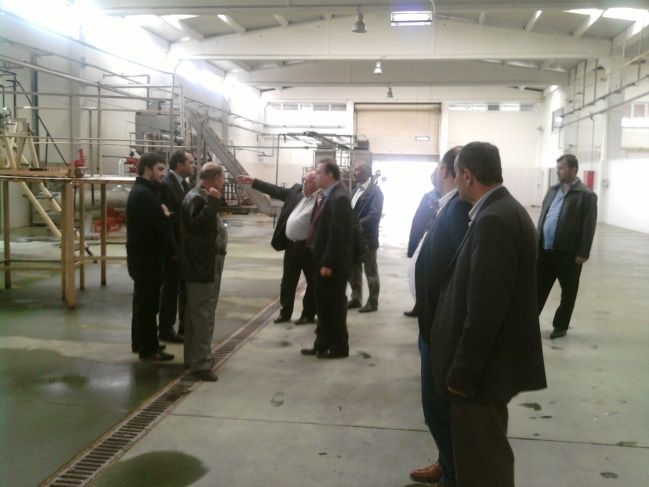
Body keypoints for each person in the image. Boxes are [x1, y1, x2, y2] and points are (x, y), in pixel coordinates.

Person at [431, 142, 546, 487]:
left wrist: (462, 372)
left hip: (482, 373)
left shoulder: (494, 220)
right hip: (491, 365)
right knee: (485, 452)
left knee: (483, 460)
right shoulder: (503, 210)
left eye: (457, 175)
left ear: (467, 176)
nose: (454, 182)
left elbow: (485, 310)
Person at [410, 146, 470, 486]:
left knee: (437, 407)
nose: (434, 173)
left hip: (440, 328)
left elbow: (461, 275)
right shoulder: (446, 204)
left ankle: (452, 472)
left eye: (437, 168)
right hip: (431, 323)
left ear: (448, 171)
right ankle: (446, 462)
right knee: (435, 406)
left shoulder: (458, 210)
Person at [236, 171, 318, 325]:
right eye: (304, 180)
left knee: (312, 282)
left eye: (309, 181)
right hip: (291, 246)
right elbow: (275, 190)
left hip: (308, 248)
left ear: (317, 183)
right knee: (288, 282)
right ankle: (285, 313)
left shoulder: (320, 199)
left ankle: (308, 314)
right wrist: (254, 181)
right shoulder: (296, 191)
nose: (305, 183)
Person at [537, 153, 598, 339]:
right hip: (546, 249)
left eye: (562, 168)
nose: (558, 171)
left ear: (573, 170)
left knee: (568, 292)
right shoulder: (552, 190)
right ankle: (529, 322)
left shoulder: (586, 195)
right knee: (537, 288)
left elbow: (589, 226)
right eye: (558, 168)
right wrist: (536, 242)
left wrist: (583, 252)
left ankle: (560, 326)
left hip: (569, 253)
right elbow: (543, 217)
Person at [301, 159, 353, 359]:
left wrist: (328, 263)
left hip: (333, 265)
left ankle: (339, 347)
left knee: (334, 307)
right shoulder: (329, 195)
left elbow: (337, 234)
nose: (316, 176)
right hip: (322, 260)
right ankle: (322, 343)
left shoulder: (339, 198)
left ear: (330, 175)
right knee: (322, 305)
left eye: (319, 172)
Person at [180, 162, 228, 382]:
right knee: (203, 315)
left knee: (197, 314)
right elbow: (198, 227)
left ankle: (194, 358)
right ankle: (200, 364)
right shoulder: (197, 198)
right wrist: (214, 202)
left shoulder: (199, 196)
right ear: (216, 178)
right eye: (222, 178)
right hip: (202, 266)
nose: (224, 183)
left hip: (204, 263)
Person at [125, 152, 174, 362]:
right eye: (159, 169)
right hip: (147, 259)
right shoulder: (145, 194)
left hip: (141, 257)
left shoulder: (144, 191)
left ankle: (141, 342)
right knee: (148, 305)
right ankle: (149, 349)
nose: (163, 173)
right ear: (147, 169)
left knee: (142, 303)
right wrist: (166, 216)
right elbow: (158, 226)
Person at [158, 150, 195, 343]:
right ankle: (165, 328)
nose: (193, 165)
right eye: (190, 162)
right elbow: (167, 222)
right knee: (170, 289)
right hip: (173, 248)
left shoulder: (185, 184)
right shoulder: (166, 185)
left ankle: (184, 325)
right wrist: (172, 249)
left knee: (184, 287)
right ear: (179, 165)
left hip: (184, 246)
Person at [348, 161, 384, 313]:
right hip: (354, 237)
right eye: (355, 169)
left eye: (358, 169)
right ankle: (356, 298)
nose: (354, 172)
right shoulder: (355, 190)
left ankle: (373, 302)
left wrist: (354, 224)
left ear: (366, 172)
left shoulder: (375, 192)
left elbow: (374, 215)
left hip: (367, 238)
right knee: (354, 269)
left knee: (370, 271)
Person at [404, 172, 440, 318]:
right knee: (418, 274)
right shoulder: (429, 196)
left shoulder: (450, 199)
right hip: (425, 237)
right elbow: (418, 221)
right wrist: (413, 245)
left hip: (434, 241)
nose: (434, 177)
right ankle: (420, 305)